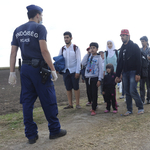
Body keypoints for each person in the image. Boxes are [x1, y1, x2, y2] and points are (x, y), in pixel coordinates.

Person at [8, 5, 66, 144]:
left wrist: (12, 72)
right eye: (42, 16)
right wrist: (52, 69)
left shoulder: (17, 30)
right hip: (39, 70)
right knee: (48, 98)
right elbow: (44, 51)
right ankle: (54, 130)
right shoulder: (40, 28)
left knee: (27, 101)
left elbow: (13, 53)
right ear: (38, 15)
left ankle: (31, 135)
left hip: (25, 70)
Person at [115, 29, 144, 116]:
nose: (122, 37)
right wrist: (117, 75)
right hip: (125, 73)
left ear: (128, 36)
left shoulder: (134, 46)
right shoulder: (122, 48)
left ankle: (140, 107)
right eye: (121, 36)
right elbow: (119, 62)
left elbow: (139, 61)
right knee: (127, 91)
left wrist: (138, 73)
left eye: (123, 35)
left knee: (132, 90)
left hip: (133, 72)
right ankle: (129, 109)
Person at [58, 31, 81, 109]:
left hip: (74, 70)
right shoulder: (62, 49)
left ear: (71, 38)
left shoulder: (76, 48)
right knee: (68, 88)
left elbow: (78, 60)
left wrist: (78, 71)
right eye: (65, 37)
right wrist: (58, 69)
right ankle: (70, 104)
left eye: (67, 37)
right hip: (65, 71)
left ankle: (77, 104)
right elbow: (59, 60)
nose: (66, 39)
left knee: (76, 87)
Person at [81, 42, 103, 115]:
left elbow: (100, 69)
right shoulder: (88, 56)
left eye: (94, 48)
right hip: (88, 77)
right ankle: (94, 104)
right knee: (89, 92)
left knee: (94, 93)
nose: (92, 49)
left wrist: (99, 79)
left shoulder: (99, 58)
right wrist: (87, 54)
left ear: (97, 49)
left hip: (94, 78)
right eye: (91, 48)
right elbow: (83, 63)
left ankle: (93, 108)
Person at [139, 36, 150, 104]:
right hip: (141, 69)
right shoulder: (140, 50)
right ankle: (142, 99)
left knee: (148, 84)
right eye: (141, 41)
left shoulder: (149, 49)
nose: (142, 43)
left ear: (146, 41)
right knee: (141, 85)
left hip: (148, 68)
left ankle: (148, 98)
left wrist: (146, 57)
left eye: (143, 41)